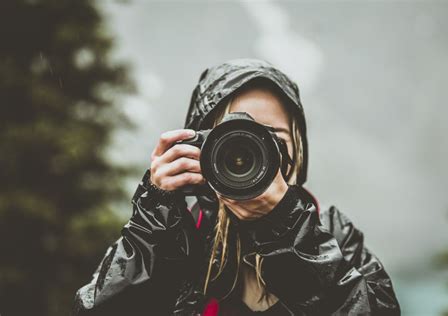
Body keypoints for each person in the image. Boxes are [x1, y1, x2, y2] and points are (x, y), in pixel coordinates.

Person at [73, 58, 401, 315]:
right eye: (234, 141)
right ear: (198, 149)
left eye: (273, 139)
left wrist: (287, 228)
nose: (255, 153)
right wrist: (155, 215)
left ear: (298, 152)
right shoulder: (178, 236)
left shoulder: (334, 235)